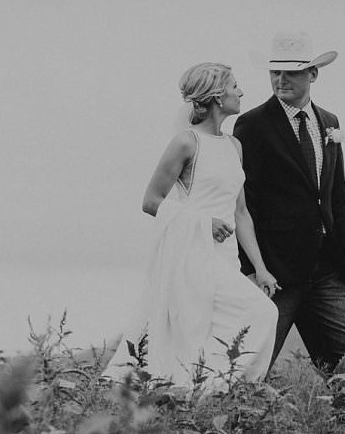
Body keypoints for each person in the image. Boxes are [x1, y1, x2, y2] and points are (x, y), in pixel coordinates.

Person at [101, 62, 281, 391]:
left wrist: (261, 268)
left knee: (230, 324)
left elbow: (241, 213)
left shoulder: (234, 146)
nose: (240, 92)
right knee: (257, 314)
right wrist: (202, 223)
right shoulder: (186, 143)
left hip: (226, 257)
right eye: (234, 86)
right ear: (215, 96)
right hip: (192, 253)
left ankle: (197, 393)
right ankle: (201, 394)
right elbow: (151, 201)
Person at [233, 31, 345, 374]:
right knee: (251, 367)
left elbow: (337, 194)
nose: (280, 80)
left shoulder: (330, 123)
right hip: (276, 273)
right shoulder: (252, 125)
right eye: (275, 72)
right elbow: (245, 202)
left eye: (291, 72)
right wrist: (251, 269)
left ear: (313, 74)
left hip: (326, 269)